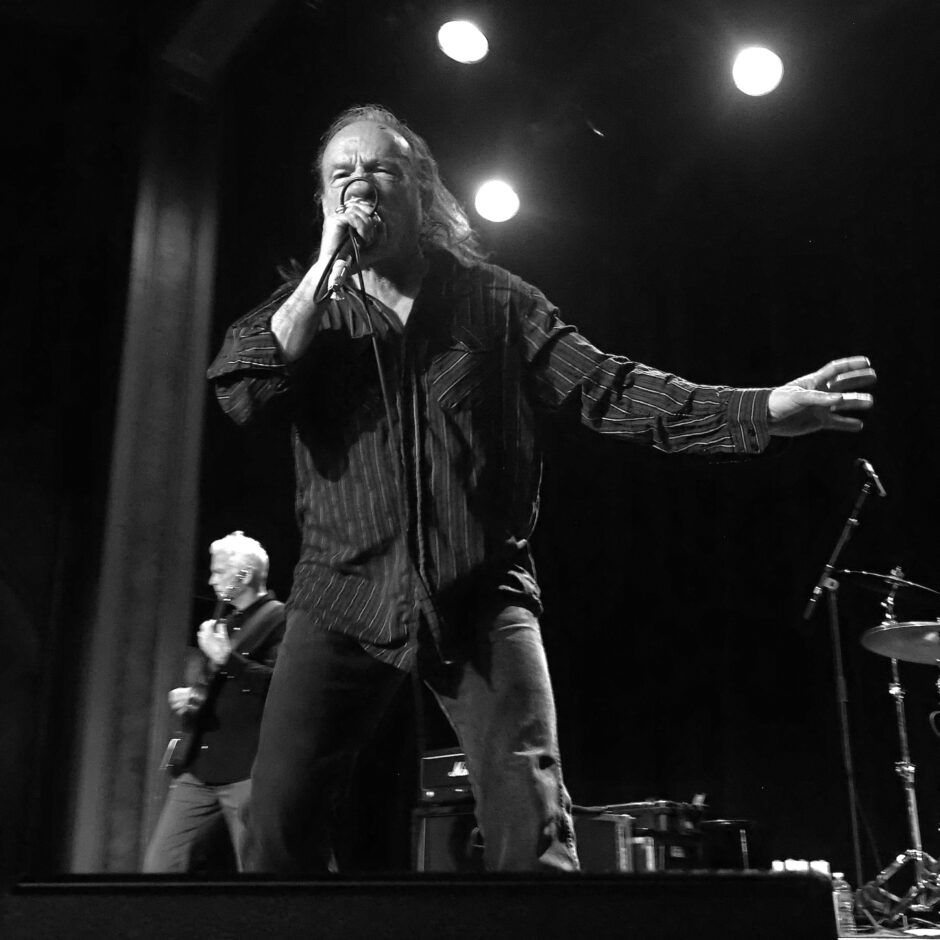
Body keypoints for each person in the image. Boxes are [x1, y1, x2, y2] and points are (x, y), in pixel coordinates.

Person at [207, 104, 876, 873]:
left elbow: (609, 389)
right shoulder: (307, 313)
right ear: (324, 201)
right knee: (276, 829)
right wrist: (323, 276)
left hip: (477, 588)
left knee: (533, 826)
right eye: (342, 174)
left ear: (421, 190)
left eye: (381, 168)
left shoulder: (496, 303)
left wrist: (762, 411)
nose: (361, 184)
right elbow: (243, 391)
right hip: (340, 595)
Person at [143, 531, 285, 872]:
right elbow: (223, 688)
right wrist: (193, 697)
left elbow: (279, 687)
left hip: (246, 771)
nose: (211, 580)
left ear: (244, 575)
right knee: (160, 866)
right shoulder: (225, 622)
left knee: (259, 869)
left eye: (219, 571)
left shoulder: (279, 618)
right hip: (199, 768)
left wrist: (226, 659)